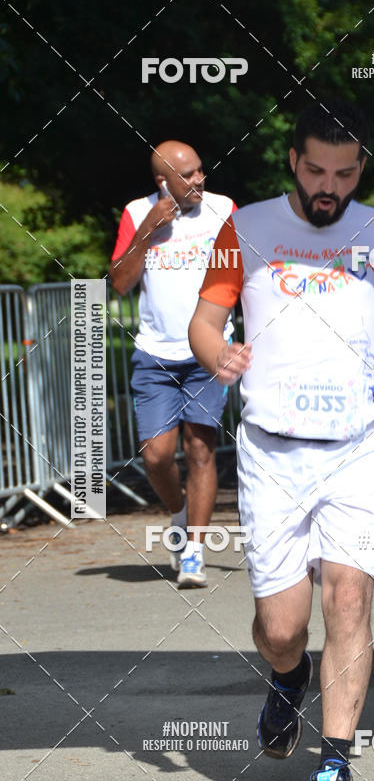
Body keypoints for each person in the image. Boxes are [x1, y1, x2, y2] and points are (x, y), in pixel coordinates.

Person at [188, 100, 374, 781]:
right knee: (283, 627)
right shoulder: (248, 227)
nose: (330, 186)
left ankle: (335, 767)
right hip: (272, 450)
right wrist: (218, 353)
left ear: (361, 171)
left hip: (362, 444)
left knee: (349, 599)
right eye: (318, 170)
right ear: (294, 162)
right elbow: (206, 320)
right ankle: (287, 677)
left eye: (346, 173)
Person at [108, 141, 236, 588]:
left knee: (201, 448)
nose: (200, 180)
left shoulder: (223, 209)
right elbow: (120, 283)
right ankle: (179, 518)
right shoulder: (136, 211)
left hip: (208, 352)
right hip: (155, 353)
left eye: (201, 170)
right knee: (157, 455)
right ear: (162, 181)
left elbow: (245, 273)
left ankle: (195, 554)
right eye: (189, 175)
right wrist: (147, 230)